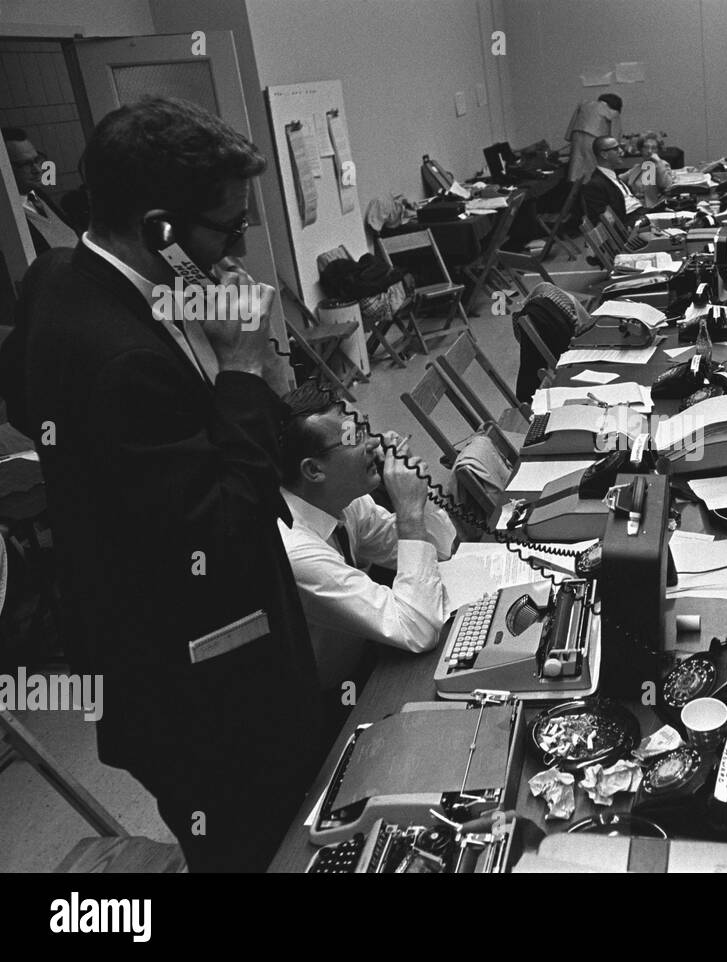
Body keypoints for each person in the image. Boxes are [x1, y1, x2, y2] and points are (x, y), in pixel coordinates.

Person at [0, 97, 322, 872]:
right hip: (202, 692)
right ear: (159, 230)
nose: (240, 245)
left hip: (140, 649)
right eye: (229, 228)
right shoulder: (123, 360)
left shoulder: (57, 273)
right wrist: (243, 374)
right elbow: (224, 528)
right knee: (264, 847)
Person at [276, 381, 456, 724]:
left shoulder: (344, 499)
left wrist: (414, 497)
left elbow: (442, 547)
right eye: (352, 438)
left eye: (363, 429)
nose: (373, 442)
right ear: (314, 470)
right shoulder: (296, 549)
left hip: (373, 657)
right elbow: (416, 630)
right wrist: (408, 511)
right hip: (326, 707)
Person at [3, 126, 81, 253]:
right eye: (25, 164)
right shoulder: (8, 216)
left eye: (37, 160)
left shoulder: (39, 195)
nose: (38, 169)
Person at [581, 135, 644, 224]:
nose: (621, 151)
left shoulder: (612, 176)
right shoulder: (595, 184)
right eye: (616, 149)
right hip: (633, 223)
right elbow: (605, 221)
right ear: (604, 154)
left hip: (641, 213)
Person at [565, 93, 623, 182]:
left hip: (576, 137)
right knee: (593, 169)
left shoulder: (584, 104)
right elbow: (615, 132)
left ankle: (575, 190)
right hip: (595, 139)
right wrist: (617, 148)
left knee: (576, 168)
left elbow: (570, 129)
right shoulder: (612, 111)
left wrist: (569, 137)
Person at [620, 132, 673, 206]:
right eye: (646, 147)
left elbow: (667, 186)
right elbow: (618, 180)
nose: (649, 151)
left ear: (658, 150)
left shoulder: (662, 165)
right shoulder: (638, 167)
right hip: (635, 207)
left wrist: (658, 162)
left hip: (654, 208)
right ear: (641, 149)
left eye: (653, 148)